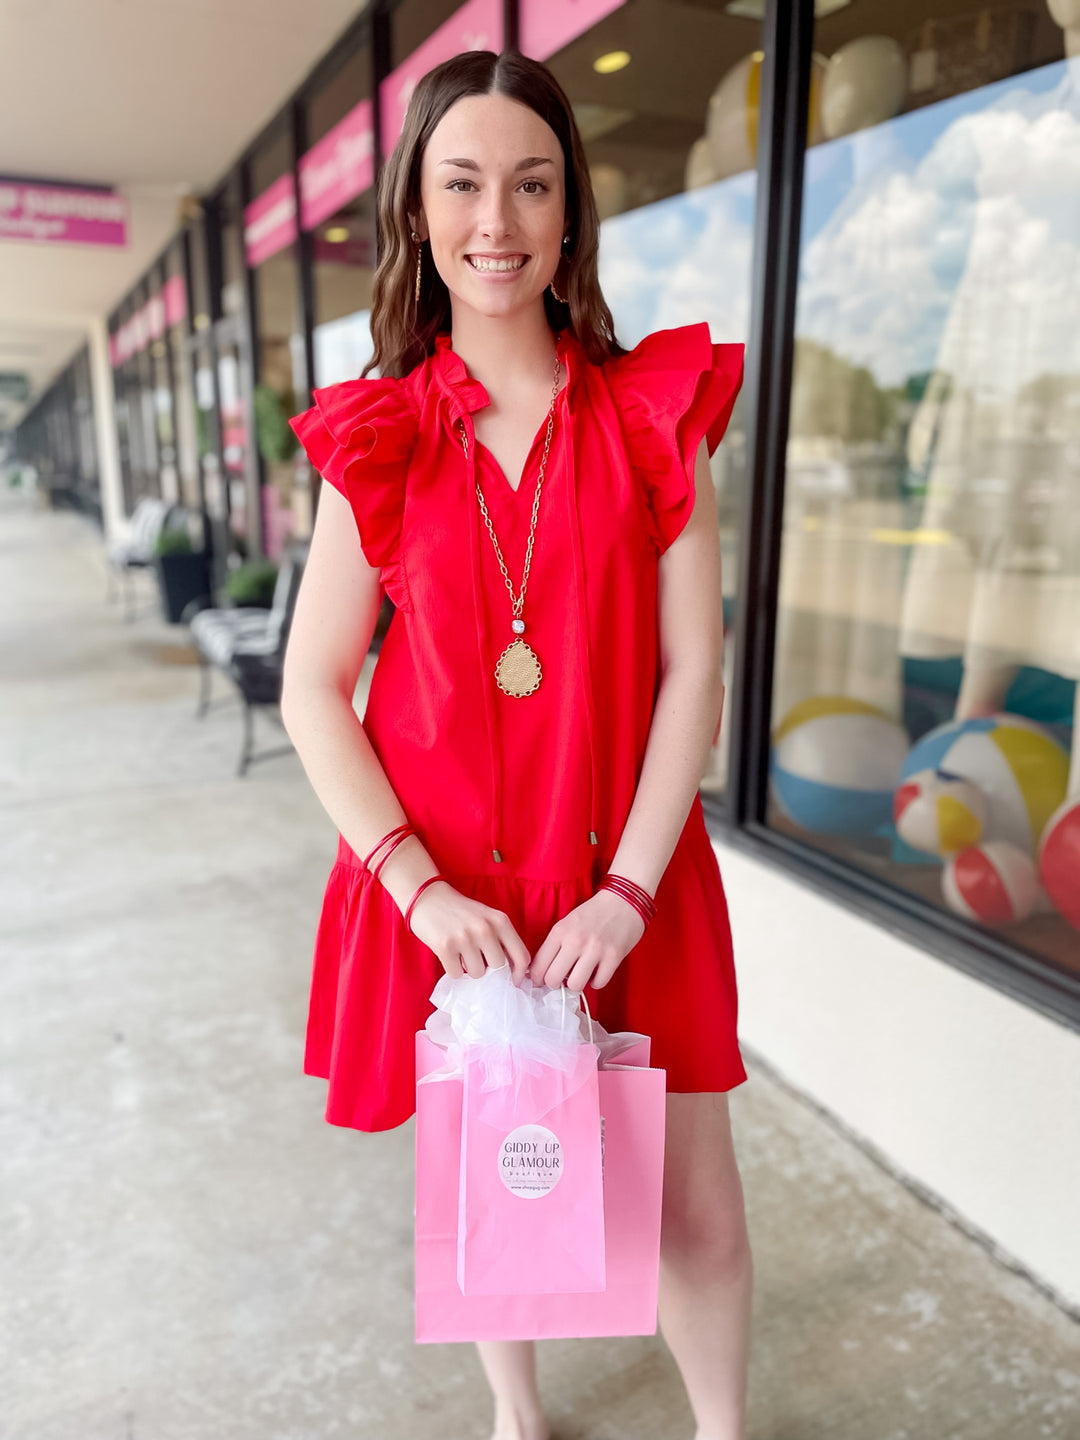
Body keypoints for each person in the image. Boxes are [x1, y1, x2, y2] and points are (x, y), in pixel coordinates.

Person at [282, 47, 752, 1440]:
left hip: (628, 883)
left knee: (698, 1217)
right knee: (505, 1193)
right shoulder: (378, 437)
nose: (500, 219)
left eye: (532, 185)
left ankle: (726, 1430)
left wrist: (632, 890)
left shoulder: (653, 414)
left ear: (569, 211)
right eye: (465, 183)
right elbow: (314, 686)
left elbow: (693, 670)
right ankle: (516, 1414)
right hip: (457, 908)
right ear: (419, 217)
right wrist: (418, 891)